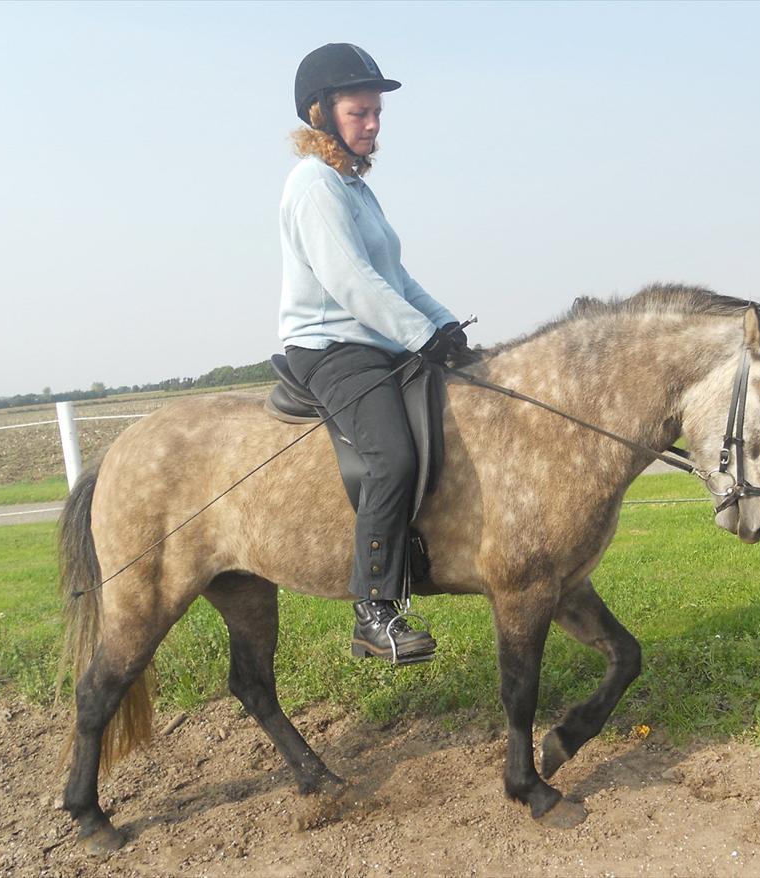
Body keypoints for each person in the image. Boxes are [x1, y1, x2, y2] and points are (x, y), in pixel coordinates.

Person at [279, 43, 471, 664]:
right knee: (392, 455)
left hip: (378, 339)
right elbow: (351, 282)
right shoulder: (314, 185)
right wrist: (420, 337)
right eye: (359, 113)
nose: (372, 125)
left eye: (377, 114)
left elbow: (395, 275)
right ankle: (374, 610)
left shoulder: (354, 187)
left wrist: (444, 324)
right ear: (322, 114)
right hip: (333, 346)